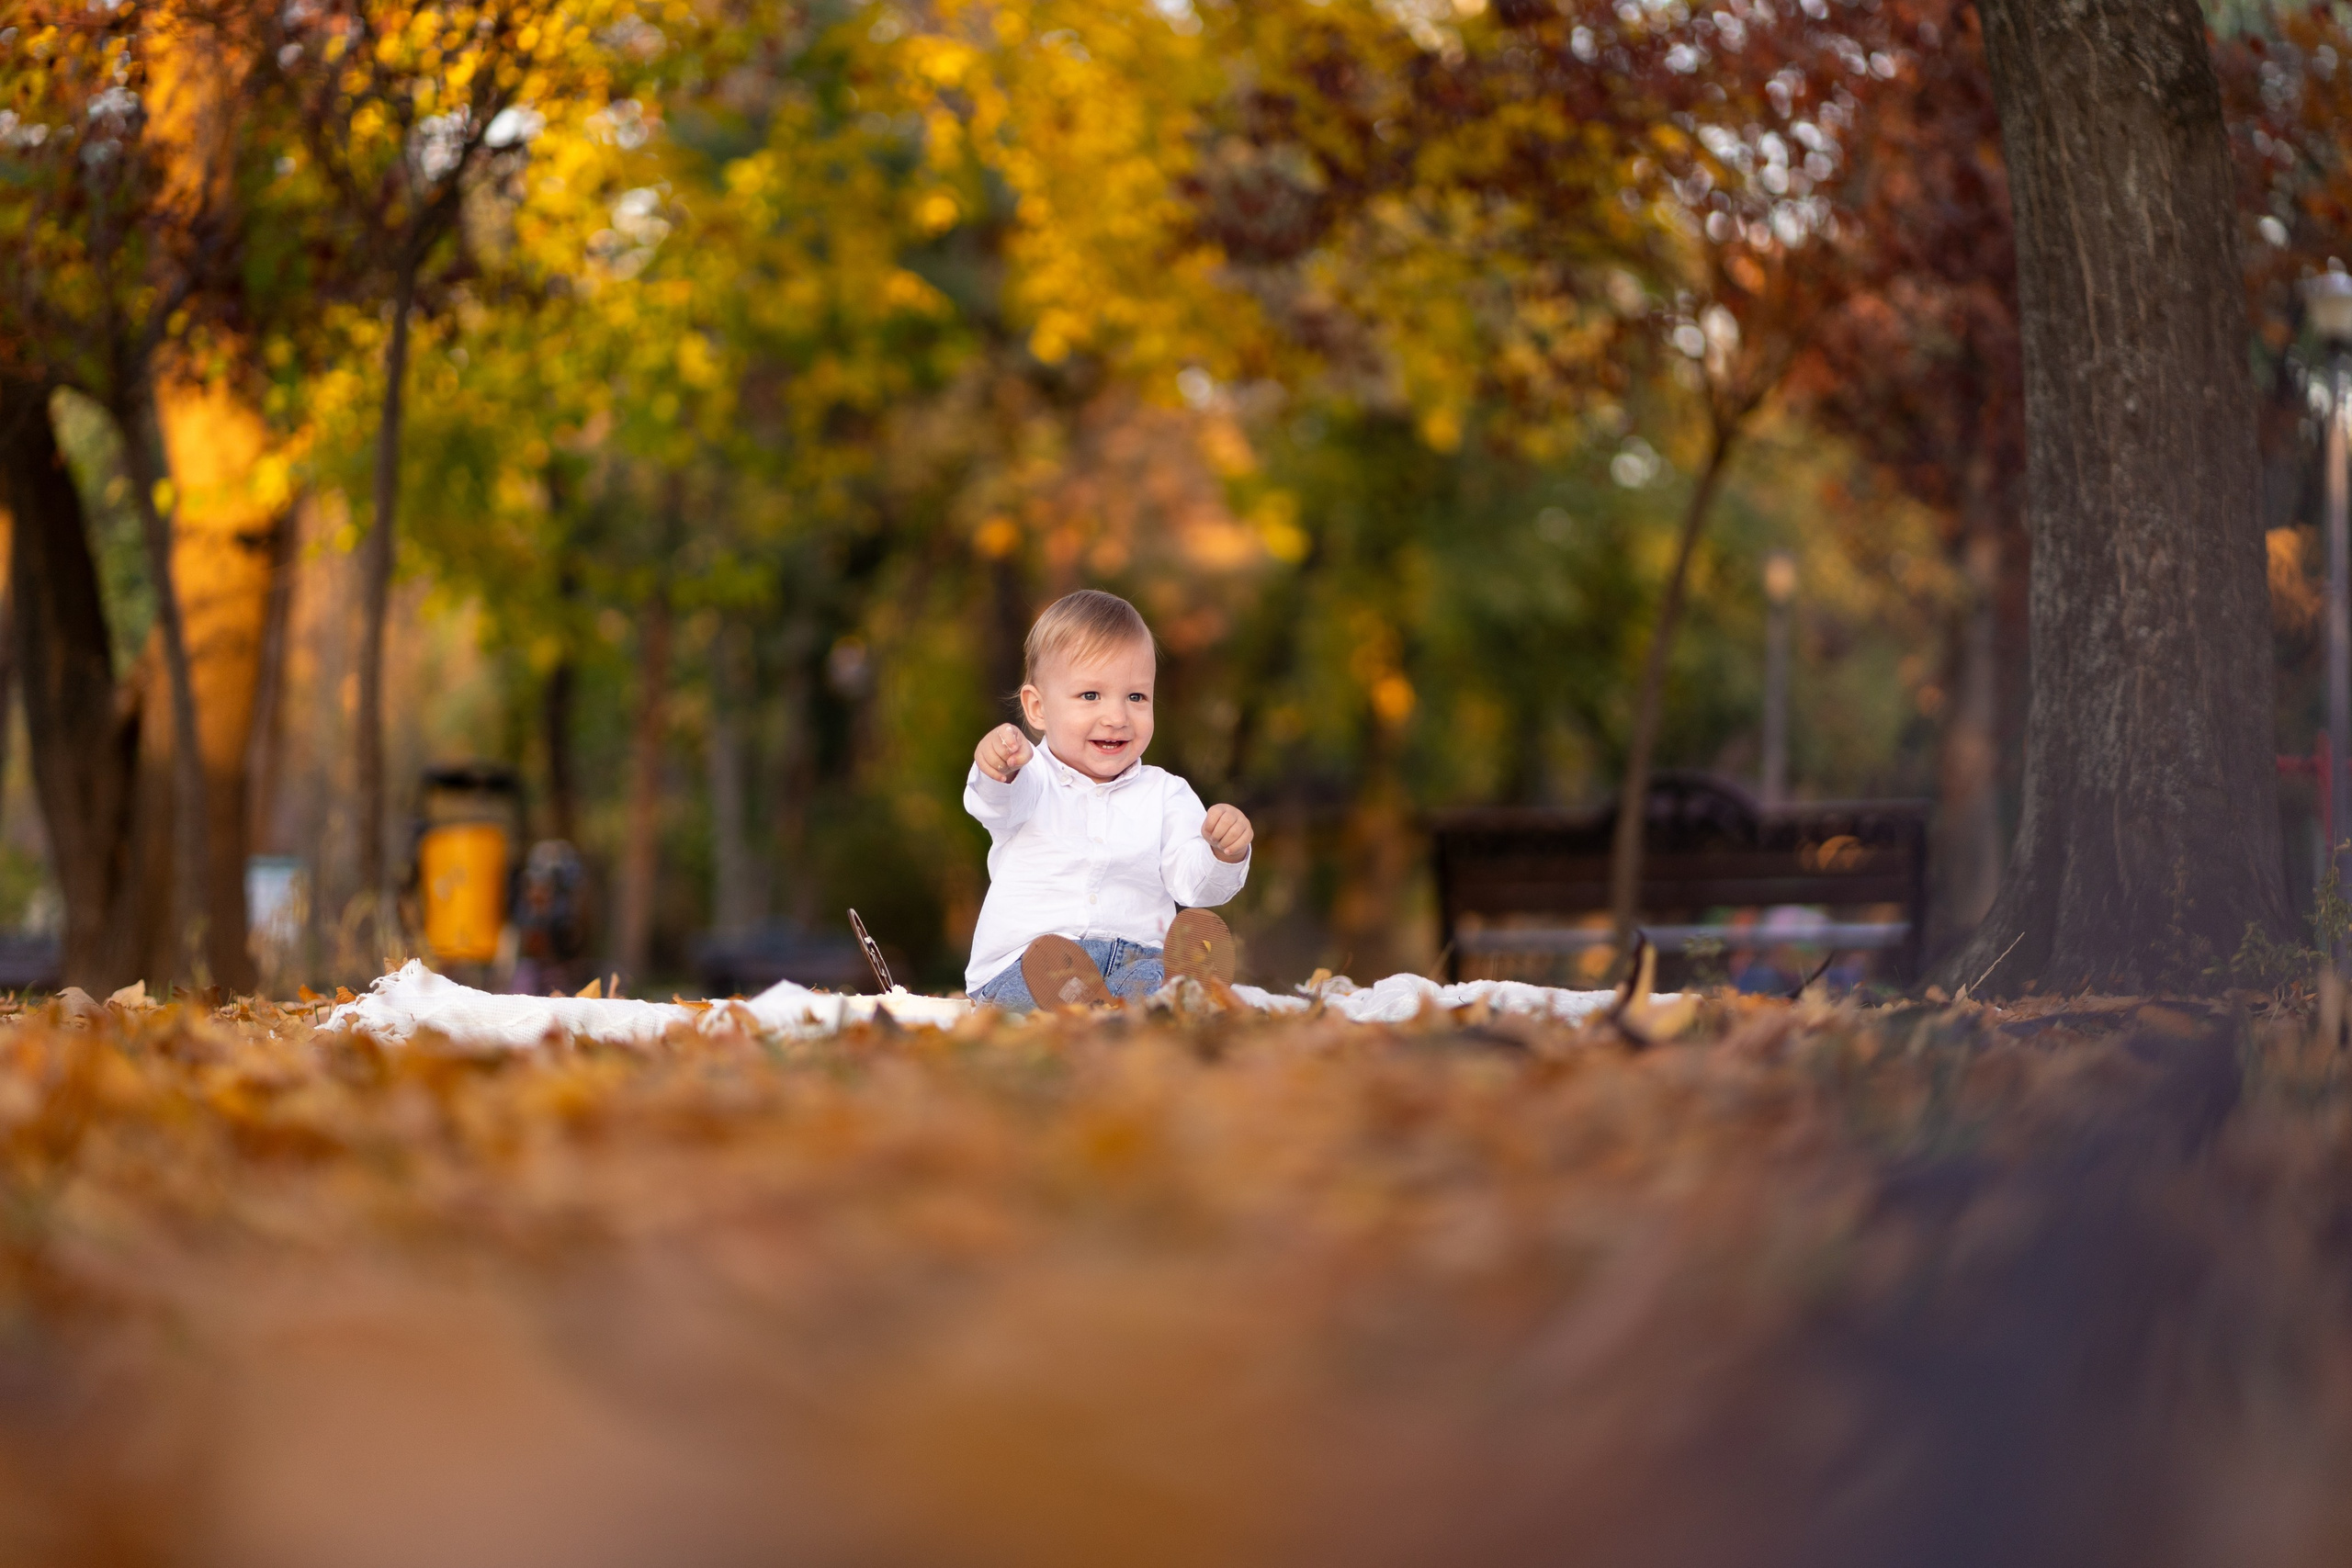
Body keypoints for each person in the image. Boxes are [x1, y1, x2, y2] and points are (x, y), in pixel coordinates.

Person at [965, 590, 1253, 1011]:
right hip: (1030, 964)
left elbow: (1192, 884)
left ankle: (1140, 1002)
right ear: (1038, 708)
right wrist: (997, 767)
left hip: (1136, 957)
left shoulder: (1165, 794)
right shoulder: (1031, 776)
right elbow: (996, 802)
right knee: (1035, 983)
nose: (1117, 717)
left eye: (1136, 697)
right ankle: (1110, 1009)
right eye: (1090, 696)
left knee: (1158, 972)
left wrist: (1224, 852)